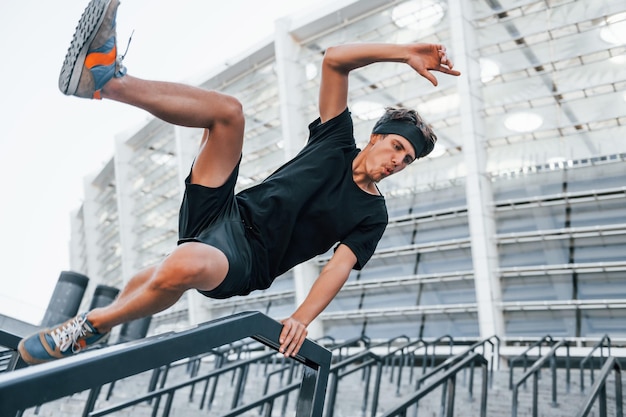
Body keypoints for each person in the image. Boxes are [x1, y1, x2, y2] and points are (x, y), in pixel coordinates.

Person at [18, 0, 460, 365]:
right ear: (377, 137)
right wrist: (402, 51)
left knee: (181, 267)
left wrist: (302, 318)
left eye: (408, 160)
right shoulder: (335, 140)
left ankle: (89, 327)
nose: (399, 161)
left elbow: (337, 268)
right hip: (226, 210)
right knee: (228, 112)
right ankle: (105, 80)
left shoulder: (372, 213)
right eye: (398, 148)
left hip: (246, 259)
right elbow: (334, 60)